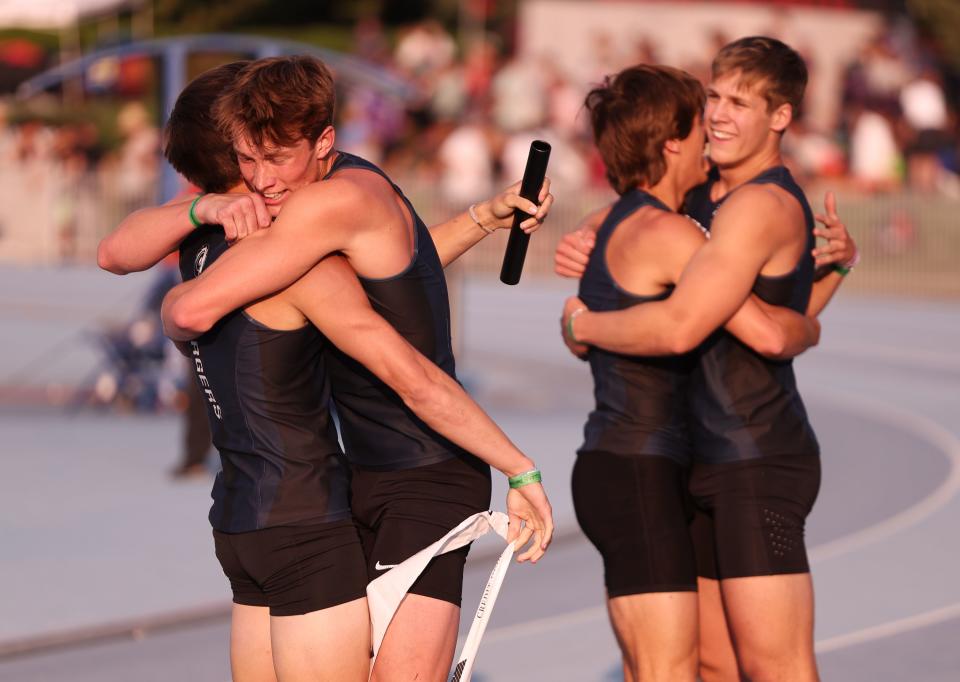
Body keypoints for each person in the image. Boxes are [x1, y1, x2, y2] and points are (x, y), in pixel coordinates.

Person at [100, 57, 554, 682]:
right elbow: (388, 280)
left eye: (274, 159)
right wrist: (480, 218)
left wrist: (519, 468)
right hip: (356, 473)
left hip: (429, 476)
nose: (261, 180)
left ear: (323, 144)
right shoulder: (318, 189)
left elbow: (203, 307)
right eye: (248, 162)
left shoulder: (326, 205)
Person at [560, 38, 858, 681]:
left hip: (754, 459)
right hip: (696, 460)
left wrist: (584, 322)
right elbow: (629, 214)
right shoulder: (702, 196)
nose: (719, 114)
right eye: (714, 96)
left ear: (780, 117)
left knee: (774, 668)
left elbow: (693, 325)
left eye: (740, 102)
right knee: (715, 667)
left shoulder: (759, 205)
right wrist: (589, 231)